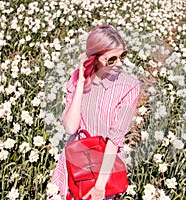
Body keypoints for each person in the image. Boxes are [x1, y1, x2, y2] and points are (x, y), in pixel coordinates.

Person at [48, 25, 141, 200]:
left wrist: (99, 186)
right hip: (75, 160)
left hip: (104, 166)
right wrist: (81, 83)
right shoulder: (77, 79)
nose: (119, 63)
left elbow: (115, 139)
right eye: (111, 59)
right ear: (95, 58)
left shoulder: (130, 87)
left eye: (123, 56)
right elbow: (70, 127)